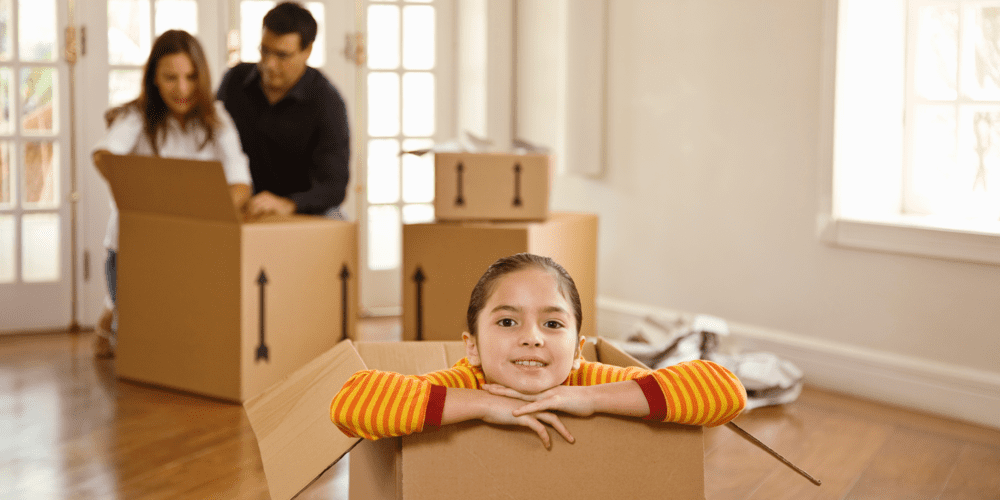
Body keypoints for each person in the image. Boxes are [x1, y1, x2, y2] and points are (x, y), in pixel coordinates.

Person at [331, 253, 747, 448]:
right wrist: (481, 404)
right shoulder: (468, 380)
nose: (533, 338)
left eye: (553, 324)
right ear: (471, 347)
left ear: (578, 349)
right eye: (508, 321)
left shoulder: (584, 378)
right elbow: (351, 403)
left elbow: (725, 391)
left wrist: (586, 398)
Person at [92, 30, 253, 358]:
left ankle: (113, 312)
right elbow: (104, 157)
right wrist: (145, 197)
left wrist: (201, 212)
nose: (182, 89)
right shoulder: (135, 116)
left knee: (179, 341)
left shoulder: (216, 118)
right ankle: (111, 315)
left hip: (191, 248)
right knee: (137, 350)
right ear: (153, 78)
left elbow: (240, 184)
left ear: (203, 77)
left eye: (191, 77)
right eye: (170, 78)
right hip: (135, 248)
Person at [217, 1, 350, 220]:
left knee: (336, 218)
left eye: (282, 55)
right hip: (240, 204)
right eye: (265, 51)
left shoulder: (328, 103)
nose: (269, 64)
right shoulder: (234, 81)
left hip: (297, 210)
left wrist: (289, 204)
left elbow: (333, 187)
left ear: (307, 50)